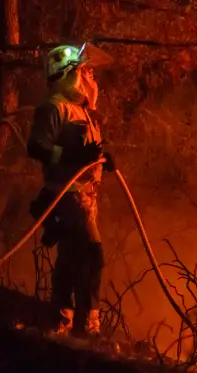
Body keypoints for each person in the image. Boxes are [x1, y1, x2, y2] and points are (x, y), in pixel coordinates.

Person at [26, 43, 115, 337]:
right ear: (69, 75)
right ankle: (88, 326)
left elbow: (87, 150)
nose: (93, 78)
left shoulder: (83, 111)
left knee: (70, 258)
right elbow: (37, 146)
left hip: (86, 197)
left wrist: (104, 160)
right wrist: (68, 157)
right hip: (66, 196)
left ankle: (61, 321)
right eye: (86, 71)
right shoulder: (55, 108)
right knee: (92, 254)